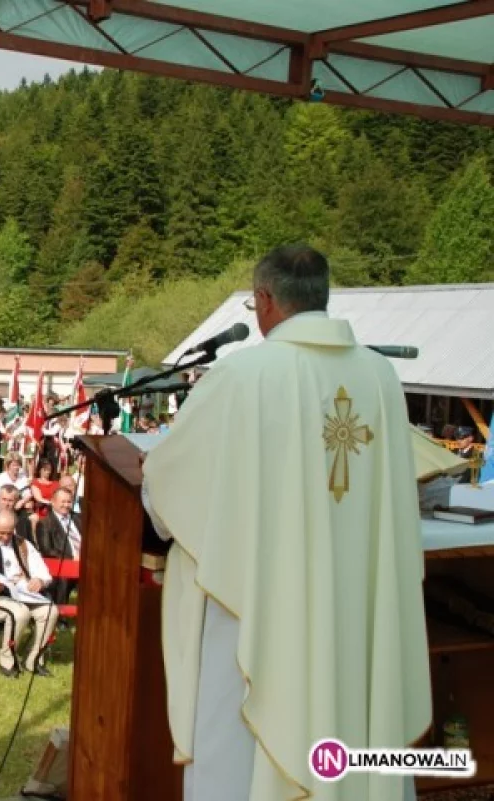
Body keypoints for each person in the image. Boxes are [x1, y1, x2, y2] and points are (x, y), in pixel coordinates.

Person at [141, 245, 431, 801]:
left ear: (265, 301)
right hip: (356, 606)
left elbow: (167, 487)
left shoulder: (241, 376)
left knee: (243, 752)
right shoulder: (380, 378)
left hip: (261, 606)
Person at [0, 510, 58, 678]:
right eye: (1, 533)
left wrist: (39, 580)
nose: (6, 537)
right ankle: (7, 660)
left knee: (51, 611)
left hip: (24, 593)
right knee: (19, 613)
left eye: (10, 532)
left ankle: (34, 659)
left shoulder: (23, 544)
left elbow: (44, 573)